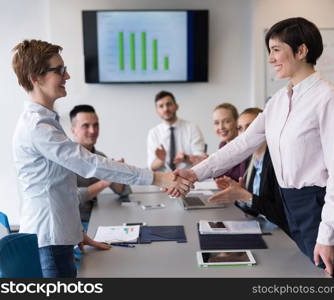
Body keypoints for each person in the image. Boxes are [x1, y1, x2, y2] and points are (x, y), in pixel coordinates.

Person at [171, 17, 334, 277]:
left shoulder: (329, 100)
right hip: (289, 204)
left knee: (329, 277)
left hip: (319, 205)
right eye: (269, 50)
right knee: (302, 273)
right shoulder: (278, 101)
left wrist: (327, 236)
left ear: (302, 51)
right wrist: (195, 173)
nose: (271, 58)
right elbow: (243, 144)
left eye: (276, 49)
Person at [12, 40, 191, 277]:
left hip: (58, 235)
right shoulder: (37, 127)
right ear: (36, 77)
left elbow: (59, 187)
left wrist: (75, 231)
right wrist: (158, 178)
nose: (68, 75)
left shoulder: (46, 122)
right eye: (60, 70)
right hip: (50, 240)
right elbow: (90, 163)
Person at [211, 108, 291, 237]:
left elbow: (280, 213)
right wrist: (239, 194)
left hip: (280, 232)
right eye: (240, 128)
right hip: (259, 225)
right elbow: (255, 209)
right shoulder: (251, 159)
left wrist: (245, 196)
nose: (245, 133)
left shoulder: (276, 161)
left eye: (250, 127)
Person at [70, 104, 132, 225]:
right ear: (73, 130)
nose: (93, 131)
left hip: (97, 218)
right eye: (86, 126)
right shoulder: (65, 159)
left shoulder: (100, 156)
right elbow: (73, 197)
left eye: (96, 125)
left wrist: (116, 173)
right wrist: (105, 181)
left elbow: (123, 191)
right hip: (74, 225)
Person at [147, 90, 207, 172]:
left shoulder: (192, 127)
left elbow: (201, 160)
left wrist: (185, 158)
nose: (166, 109)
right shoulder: (153, 133)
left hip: (189, 176)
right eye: (161, 106)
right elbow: (152, 166)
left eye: (169, 104)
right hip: (164, 179)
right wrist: (161, 159)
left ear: (176, 106)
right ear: (157, 111)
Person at [212, 103, 242, 181]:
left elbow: (239, 179)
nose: (221, 127)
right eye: (216, 123)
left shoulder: (243, 146)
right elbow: (221, 177)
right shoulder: (223, 145)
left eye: (227, 121)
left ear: (237, 122)